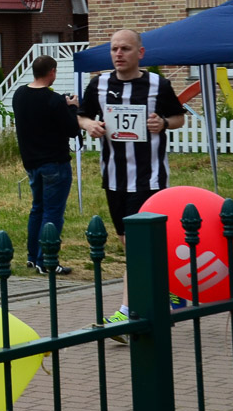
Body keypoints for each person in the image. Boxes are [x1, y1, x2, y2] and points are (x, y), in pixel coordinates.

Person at [77, 29, 186, 336]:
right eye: (114, 49)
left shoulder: (158, 85)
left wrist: (163, 123)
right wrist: (90, 125)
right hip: (114, 179)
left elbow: (179, 118)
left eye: (125, 48)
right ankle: (169, 291)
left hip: (149, 178)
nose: (118, 54)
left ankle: (127, 314)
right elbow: (82, 116)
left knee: (136, 246)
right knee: (131, 244)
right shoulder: (98, 84)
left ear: (140, 53)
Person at [11, 56, 80, 274]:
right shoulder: (54, 100)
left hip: (31, 162)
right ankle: (47, 260)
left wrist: (62, 106)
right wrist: (72, 108)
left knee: (37, 209)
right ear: (52, 72)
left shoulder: (19, 95)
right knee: (53, 213)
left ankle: (32, 256)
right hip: (55, 162)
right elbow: (72, 130)